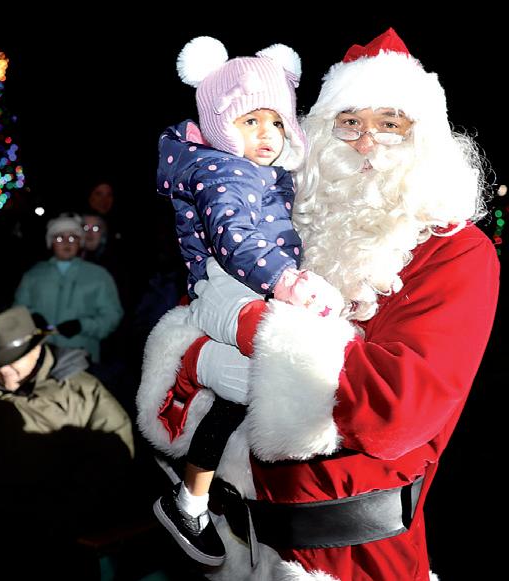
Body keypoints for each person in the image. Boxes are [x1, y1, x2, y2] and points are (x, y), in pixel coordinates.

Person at [137, 28, 500, 580]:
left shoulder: (456, 252)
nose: (366, 142)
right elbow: (190, 328)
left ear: (424, 138)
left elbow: (395, 410)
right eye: (349, 122)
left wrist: (247, 331)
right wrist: (202, 355)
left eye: (390, 123)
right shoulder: (293, 229)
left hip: (357, 559)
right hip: (240, 543)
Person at [149, 36, 344, 567]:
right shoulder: (223, 171)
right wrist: (287, 282)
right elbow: (236, 240)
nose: (266, 134)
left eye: (277, 122)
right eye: (250, 120)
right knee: (262, 378)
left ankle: (191, 499)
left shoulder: (260, 172)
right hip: (224, 283)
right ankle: (193, 371)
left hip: (246, 283)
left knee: (247, 398)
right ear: (218, 122)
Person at [0, 304, 134, 579]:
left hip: (60, 535)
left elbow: (115, 458)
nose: (5, 372)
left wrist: (66, 511)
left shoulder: (82, 391)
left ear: (36, 349)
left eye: (14, 360)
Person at [14, 214, 123, 364]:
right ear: (51, 242)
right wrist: (32, 318)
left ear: (80, 243)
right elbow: (18, 309)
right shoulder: (34, 275)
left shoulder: (98, 276)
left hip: (81, 354)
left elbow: (112, 315)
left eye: (72, 238)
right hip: (40, 352)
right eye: (59, 238)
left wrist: (82, 325)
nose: (66, 243)